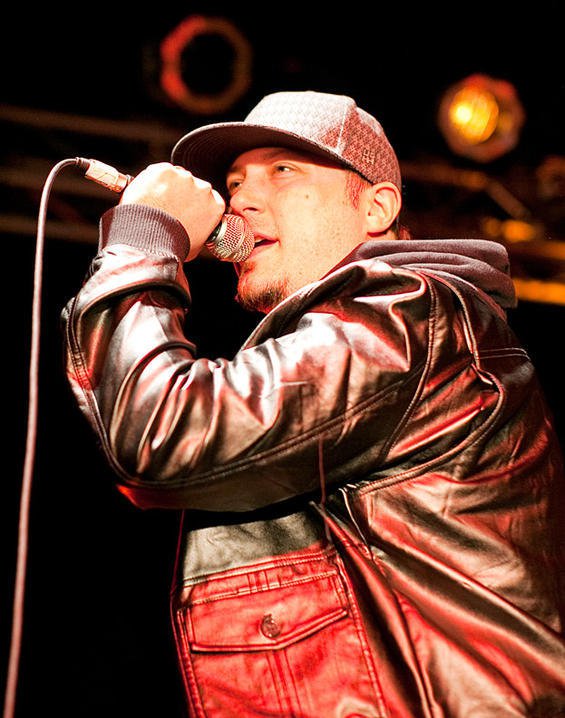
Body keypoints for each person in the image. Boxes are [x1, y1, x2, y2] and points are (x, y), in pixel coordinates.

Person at [62, 90, 565, 717]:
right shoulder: (377, 330)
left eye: (283, 170)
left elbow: (162, 432)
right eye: (235, 182)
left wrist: (143, 240)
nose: (241, 200)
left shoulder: (412, 315)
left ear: (377, 207)